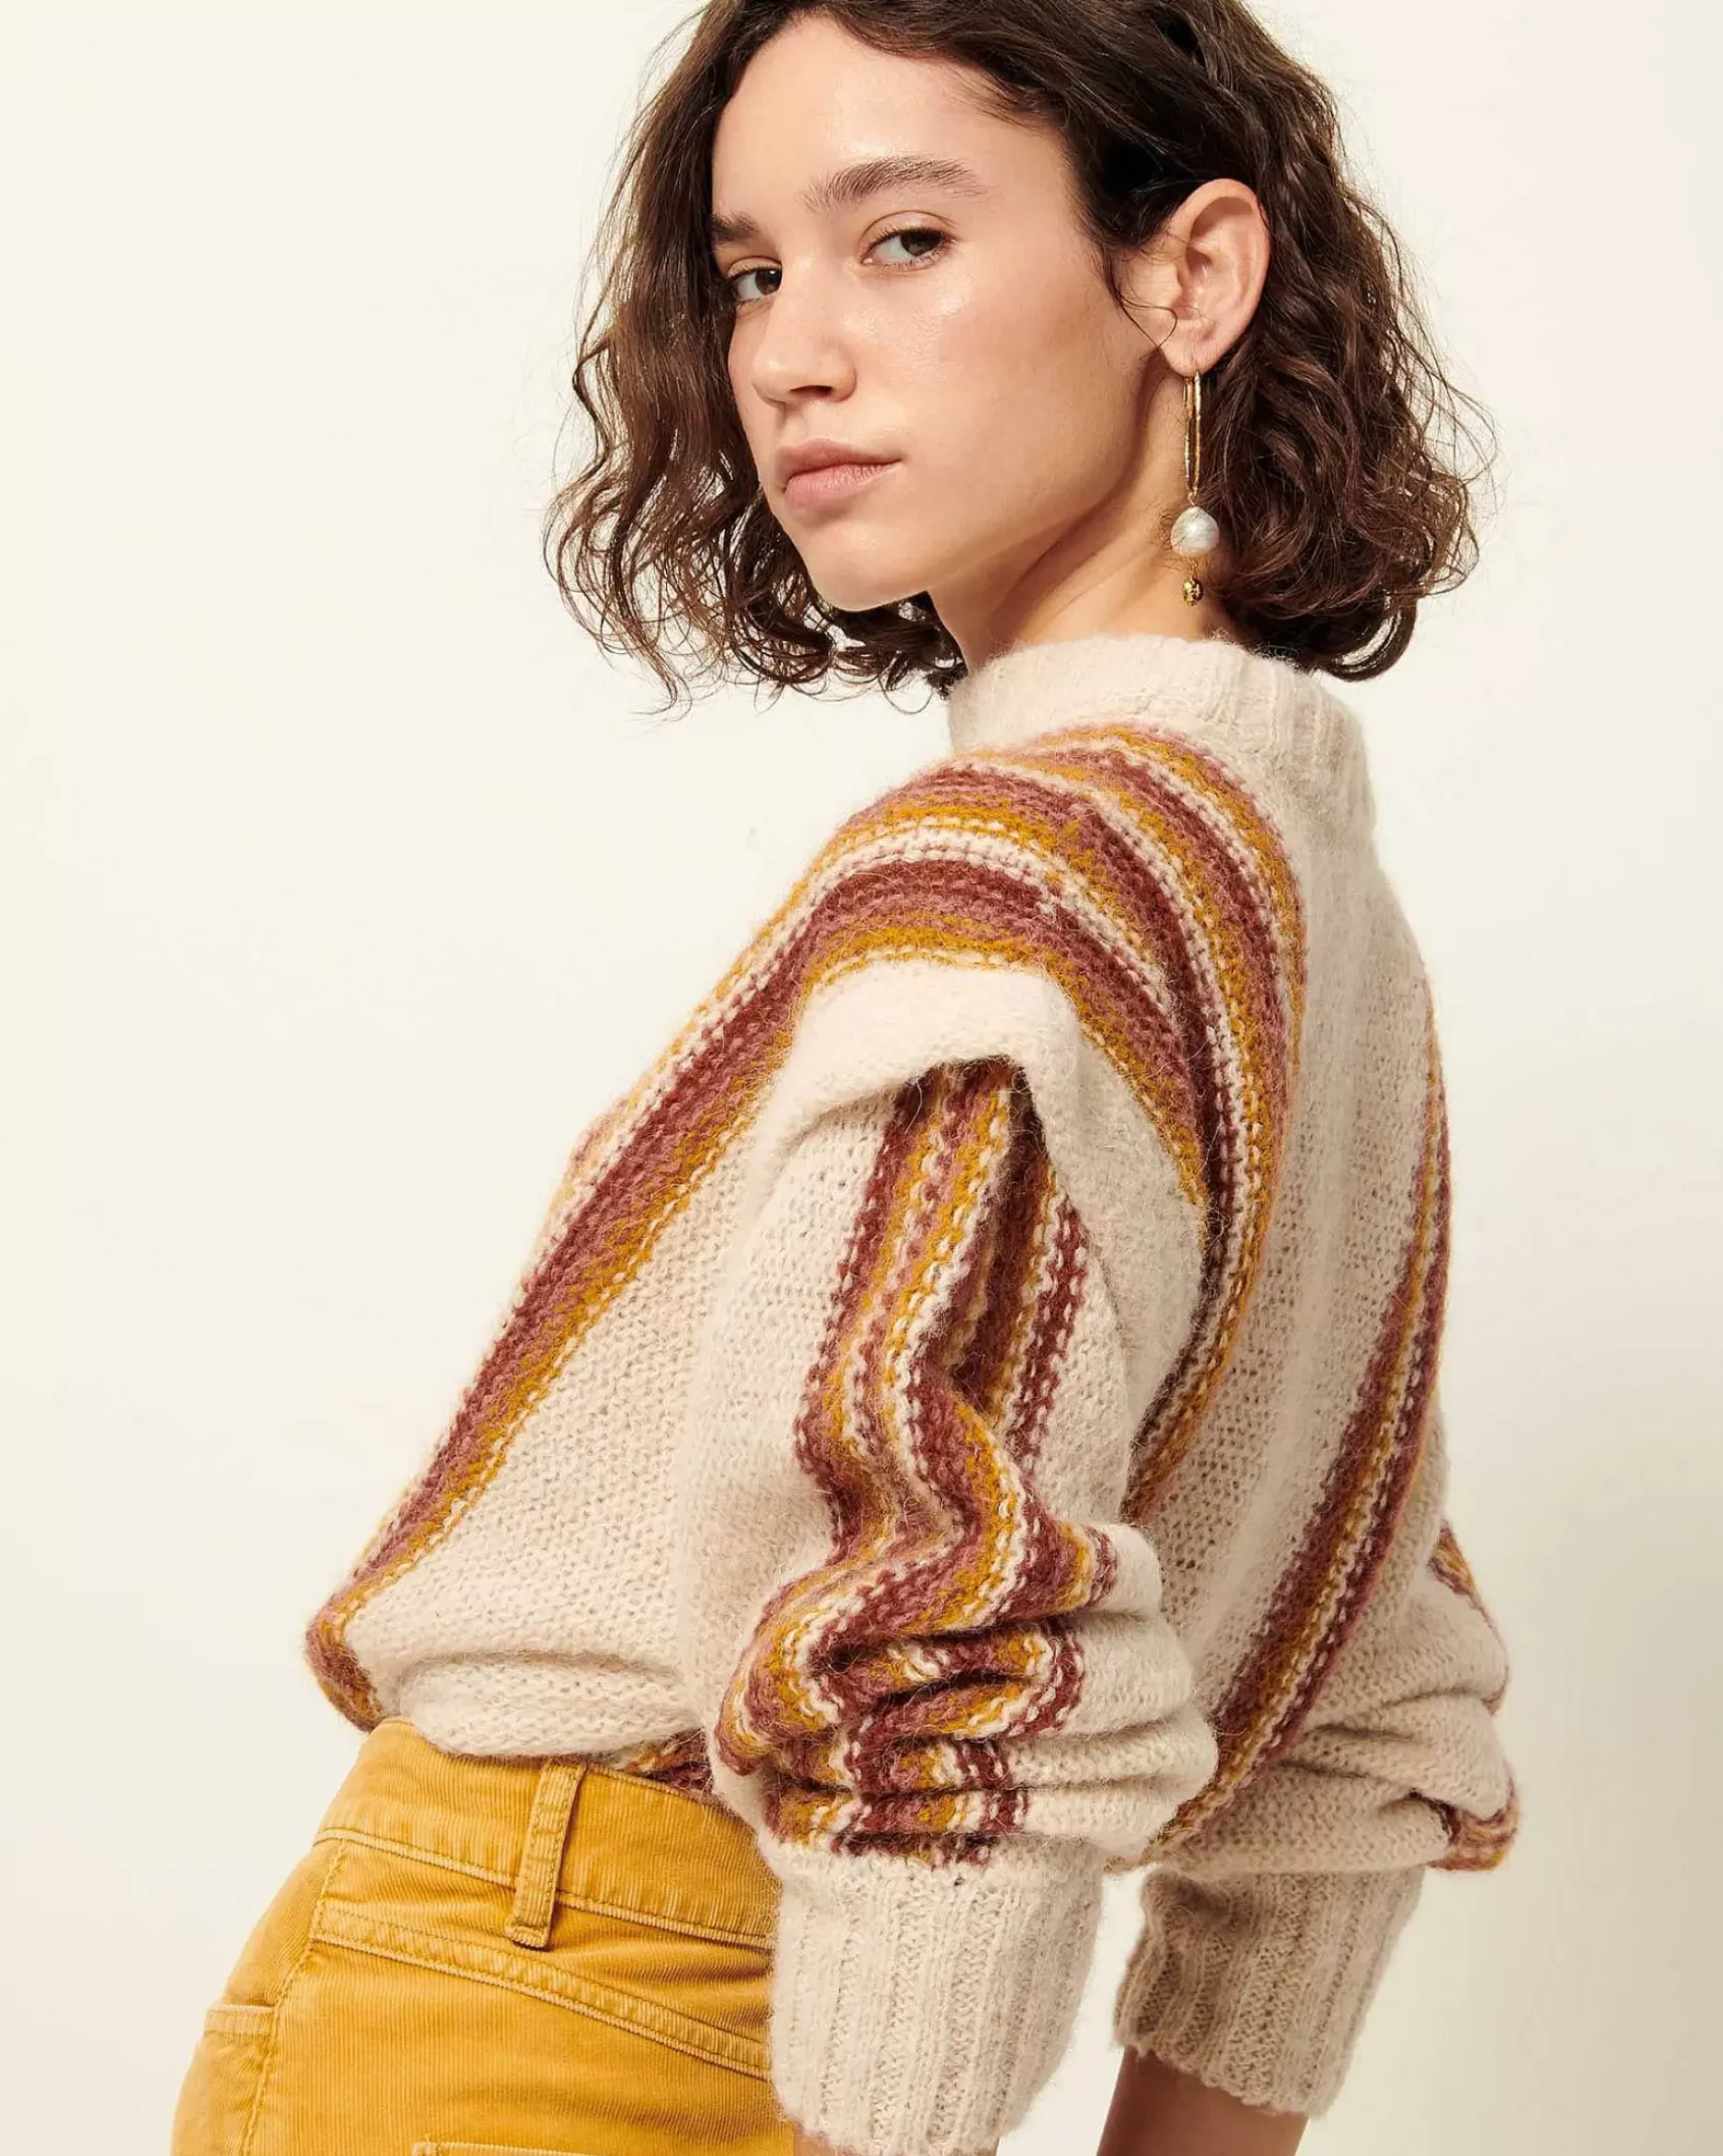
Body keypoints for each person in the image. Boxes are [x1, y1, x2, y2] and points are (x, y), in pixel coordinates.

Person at [170, 5, 1522, 2155]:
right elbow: (1365, 1702)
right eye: (750, 273)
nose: (791, 352)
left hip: (539, 1979)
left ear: (1190, 275)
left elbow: (935, 1610)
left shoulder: (1027, 873)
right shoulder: (1307, 902)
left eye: (903, 238)